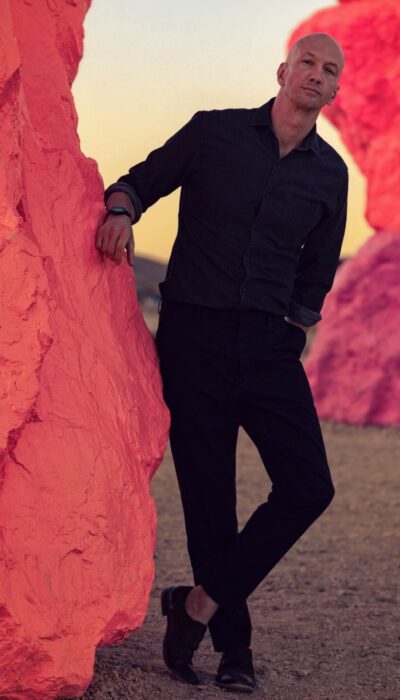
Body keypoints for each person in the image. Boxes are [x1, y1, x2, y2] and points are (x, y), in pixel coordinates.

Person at [96, 33, 348, 693]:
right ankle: (234, 650)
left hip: (269, 346)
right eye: (308, 63)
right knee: (211, 503)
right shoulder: (214, 134)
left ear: (335, 88)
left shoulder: (329, 173)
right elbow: (138, 182)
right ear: (283, 72)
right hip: (194, 342)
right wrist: (120, 211)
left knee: (308, 486)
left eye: (329, 70)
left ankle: (197, 605)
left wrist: (293, 328)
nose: (316, 76)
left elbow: (316, 274)